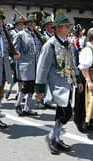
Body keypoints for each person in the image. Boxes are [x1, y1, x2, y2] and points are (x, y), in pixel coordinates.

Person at [34, 10, 83, 155]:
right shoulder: (50, 45)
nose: (69, 29)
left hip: (67, 83)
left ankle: (56, 137)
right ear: (58, 28)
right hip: (57, 84)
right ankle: (51, 137)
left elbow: (72, 64)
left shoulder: (67, 43)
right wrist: (39, 88)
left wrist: (78, 80)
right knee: (66, 112)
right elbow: (42, 68)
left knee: (62, 113)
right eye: (66, 26)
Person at [13, 14, 43, 116]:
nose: (32, 24)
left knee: (32, 88)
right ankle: (17, 105)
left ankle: (27, 108)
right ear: (26, 24)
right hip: (25, 65)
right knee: (25, 87)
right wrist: (16, 55)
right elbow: (14, 49)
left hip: (35, 66)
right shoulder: (21, 35)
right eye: (30, 22)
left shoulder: (36, 35)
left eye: (33, 22)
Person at [5, 16, 24, 100]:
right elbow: (8, 45)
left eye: (22, 24)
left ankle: (18, 94)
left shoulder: (24, 33)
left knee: (20, 78)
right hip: (13, 58)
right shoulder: (11, 33)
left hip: (22, 58)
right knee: (15, 77)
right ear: (16, 25)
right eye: (20, 24)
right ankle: (9, 90)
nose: (21, 26)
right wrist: (11, 56)